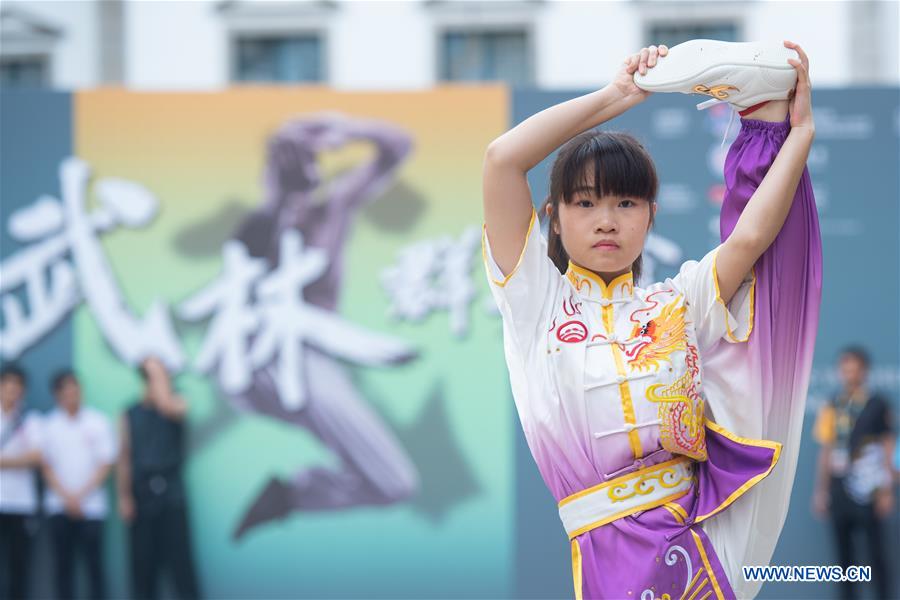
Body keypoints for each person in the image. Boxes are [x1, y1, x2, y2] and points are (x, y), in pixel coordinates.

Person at [481, 39, 820, 599]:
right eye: (585, 204)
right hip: (608, 553)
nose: (607, 221)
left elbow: (754, 237)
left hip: (704, 532)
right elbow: (502, 160)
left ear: (650, 217)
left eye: (627, 204)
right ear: (554, 221)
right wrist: (618, 95)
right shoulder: (535, 302)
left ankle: (761, 110)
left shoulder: (678, 301)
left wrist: (799, 136)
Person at [812, 346, 895, 599]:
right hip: (839, 488)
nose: (849, 374)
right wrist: (821, 491)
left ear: (864, 371)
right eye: (845, 369)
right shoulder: (832, 405)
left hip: (870, 488)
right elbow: (826, 449)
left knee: (875, 552)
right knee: (844, 558)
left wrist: (887, 490)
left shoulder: (878, 405)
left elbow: (889, 448)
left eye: (854, 369)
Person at [118, 356, 201, 600]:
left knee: (181, 568)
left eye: (158, 376)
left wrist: (158, 372)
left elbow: (166, 406)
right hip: (142, 495)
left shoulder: (177, 402)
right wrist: (124, 496)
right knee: (143, 568)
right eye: (149, 376)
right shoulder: (129, 413)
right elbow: (124, 456)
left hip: (172, 494)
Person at [41, 370, 116, 600]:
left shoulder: (98, 421)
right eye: (66, 390)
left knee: (94, 566)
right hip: (58, 506)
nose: (72, 394)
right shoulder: (49, 424)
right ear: (57, 395)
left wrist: (80, 496)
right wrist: (67, 498)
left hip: (91, 507)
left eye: (75, 388)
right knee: (63, 566)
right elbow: (46, 466)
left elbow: (106, 463)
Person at [0, 364, 42, 600]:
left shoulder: (31, 420)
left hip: (21, 504)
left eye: (18, 386)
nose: (13, 391)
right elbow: (28, 457)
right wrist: (19, 460)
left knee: (19, 567)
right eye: (8, 385)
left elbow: (37, 457)